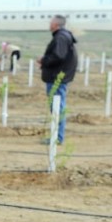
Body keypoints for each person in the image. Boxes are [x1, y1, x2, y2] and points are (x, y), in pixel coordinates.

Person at [37, 14, 77, 146]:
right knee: (58, 107)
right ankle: (57, 136)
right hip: (58, 77)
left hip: (56, 78)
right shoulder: (64, 37)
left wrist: (44, 60)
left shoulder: (60, 37)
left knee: (57, 108)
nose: (49, 24)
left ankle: (57, 138)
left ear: (56, 24)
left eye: (51, 22)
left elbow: (58, 56)